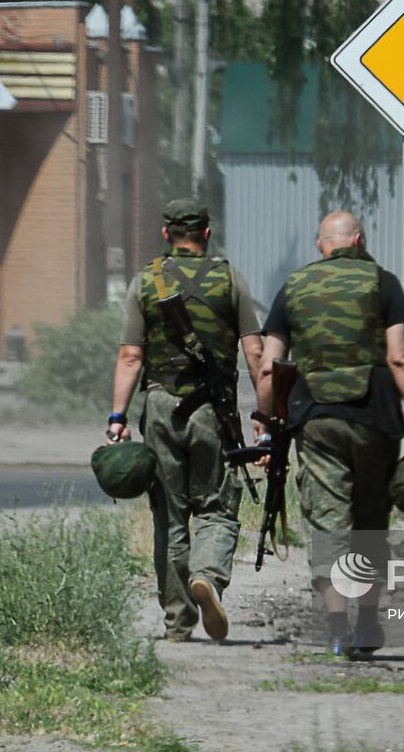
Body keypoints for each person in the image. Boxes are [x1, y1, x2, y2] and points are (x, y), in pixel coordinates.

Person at [257, 210, 404, 657]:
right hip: (374, 416)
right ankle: (368, 624)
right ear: (360, 239)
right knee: (371, 518)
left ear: (322, 246)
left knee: (327, 520)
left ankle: (337, 630)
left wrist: (266, 423)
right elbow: (400, 358)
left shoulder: (293, 287)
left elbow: (268, 367)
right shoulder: (382, 282)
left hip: (315, 418)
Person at [107, 198, 264, 642]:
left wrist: (117, 417)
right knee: (215, 506)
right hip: (214, 413)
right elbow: (255, 352)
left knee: (170, 515)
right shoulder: (231, 279)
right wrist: (266, 418)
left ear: (166, 235)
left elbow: (130, 355)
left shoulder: (145, 282)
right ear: (206, 234)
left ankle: (178, 622)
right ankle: (208, 577)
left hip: (160, 406)